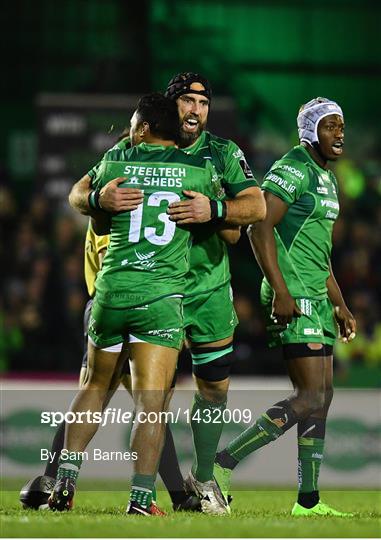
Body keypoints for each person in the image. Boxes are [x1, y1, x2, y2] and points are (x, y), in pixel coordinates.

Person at [68, 73, 266, 515]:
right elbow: (80, 192)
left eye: (204, 102)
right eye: (188, 101)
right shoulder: (130, 148)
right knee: (155, 396)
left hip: (207, 289)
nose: (196, 109)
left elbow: (257, 206)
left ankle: (204, 477)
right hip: (156, 292)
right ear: (169, 106)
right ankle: (154, 492)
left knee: (214, 389)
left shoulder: (222, 152)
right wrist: (99, 197)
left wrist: (214, 209)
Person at [49, 93, 222, 516]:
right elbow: (235, 220)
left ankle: (64, 485)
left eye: (131, 124)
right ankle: (141, 500)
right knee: (152, 404)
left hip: (110, 294)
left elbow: (80, 195)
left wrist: (95, 201)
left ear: (143, 128)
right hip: (159, 299)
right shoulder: (197, 171)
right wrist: (215, 208)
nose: (127, 130)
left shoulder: (114, 166)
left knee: (92, 387)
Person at [213, 97, 356, 517]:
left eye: (341, 125)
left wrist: (341, 304)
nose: (339, 133)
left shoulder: (327, 180)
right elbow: (260, 225)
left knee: (321, 397)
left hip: (314, 291)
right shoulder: (294, 166)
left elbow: (319, 251)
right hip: (292, 292)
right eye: (330, 125)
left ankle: (308, 502)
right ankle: (224, 462)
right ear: (310, 131)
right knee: (310, 395)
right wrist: (280, 289)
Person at [20, 218, 200, 514]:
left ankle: (53, 480)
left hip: (103, 307)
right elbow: (111, 261)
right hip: (134, 301)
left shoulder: (108, 204)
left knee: (92, 392)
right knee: (149, 405)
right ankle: (177, 495)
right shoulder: (127, 212)